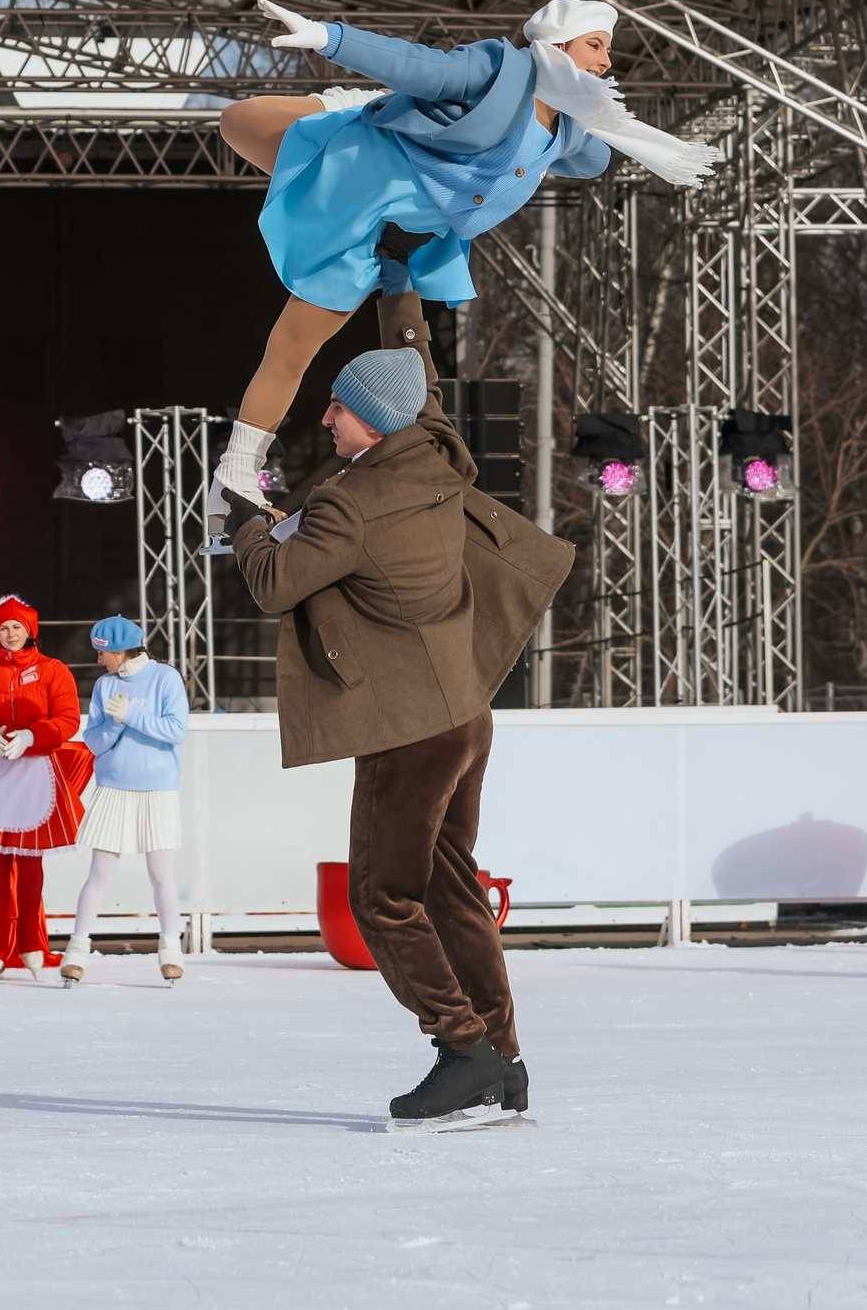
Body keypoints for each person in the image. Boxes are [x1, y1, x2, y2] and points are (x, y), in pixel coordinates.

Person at [231, 290, 571, 1125]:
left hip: (409, 727)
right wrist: (399, 285)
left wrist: (243, 517)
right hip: (464, 709)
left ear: (374, 425)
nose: (328, 415)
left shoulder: (351, 502)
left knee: (382, 896)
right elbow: (416, 371)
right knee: (450, 884)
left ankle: (461, 1049)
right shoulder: (437, 450)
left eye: (340, 407)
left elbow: (274, 583)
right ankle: (506, 1058)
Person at [206, 0, 715, 519]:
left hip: (381, 232)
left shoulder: (570, 135)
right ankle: (351, 103)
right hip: (355, 169)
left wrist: (588, 113)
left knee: (293, 345)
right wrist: (328, 37)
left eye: (608, 50)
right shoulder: (498, 71)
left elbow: (595, 161)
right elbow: (416, 64)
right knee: (237, 118)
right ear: (556, 45)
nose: (607, 62)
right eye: (595, 45)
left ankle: (235, 474)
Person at [0, 595, 93, 981]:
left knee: (29, 861)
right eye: (3, 628)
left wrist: (31, 735)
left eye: (17, 627)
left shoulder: (53, 670)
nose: (10, 634)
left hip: (36, 770)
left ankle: (29, 943)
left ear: (30, 631)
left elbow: (68, 719)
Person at [62, 616, 191, 986]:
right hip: (113, 787)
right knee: (98, 873)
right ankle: (77, 952)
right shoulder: (104, 686)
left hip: (157, 788)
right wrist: (116, 724)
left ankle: (170, 951)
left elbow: (175, 730)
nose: (98, 660)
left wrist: (130, 714)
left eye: (101, 652)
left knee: (161, 875)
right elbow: (94, 741)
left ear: (118, 650)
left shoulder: (165, 678)